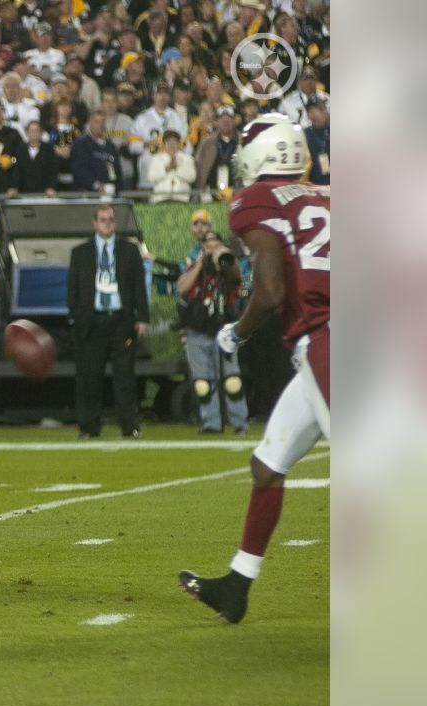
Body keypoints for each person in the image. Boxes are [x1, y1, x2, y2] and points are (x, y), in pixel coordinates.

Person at [179, 114, 330, 623]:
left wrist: (237, 332)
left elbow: (270, 292)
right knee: (268, 465)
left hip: (332, 339)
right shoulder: (327, 194)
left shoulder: (255, 202)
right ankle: (237, 585)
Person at [66, 204, 150, 439]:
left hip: (120, 320)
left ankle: (129, 426)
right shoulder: (80, 253)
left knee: (125, 377)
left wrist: (142, 317)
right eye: (103, 219)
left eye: (111, 219)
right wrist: (76, 316)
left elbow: (138, 287)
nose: (107, 223)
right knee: (89, 378)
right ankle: (88, 427)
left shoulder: (129, 251)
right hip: (92, 322)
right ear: (94, 223)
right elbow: (73, 288)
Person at [176, 229, 249, 435]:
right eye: (208, 248)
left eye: (216, 247)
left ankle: (239, 423)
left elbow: (240, 282)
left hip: (225, 329)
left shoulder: (229, 265)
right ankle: (211, 423)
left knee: (232, 380)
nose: (212, 251)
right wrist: (200, 264)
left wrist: (227, 260)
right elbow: (181, 288)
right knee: (203, 382)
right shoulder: (195, 266)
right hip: (198, 328)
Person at [148, 129, 197, 202]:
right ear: (164, 144)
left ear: (179, 143)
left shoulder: (188, 158)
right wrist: (167, 169)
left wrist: (177, 169)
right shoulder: (156, 159)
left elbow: (192, 177)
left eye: (174, 141)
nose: (171, 144)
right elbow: (151, 177)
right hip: (161, 199)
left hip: (182, 199)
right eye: (168, 141)